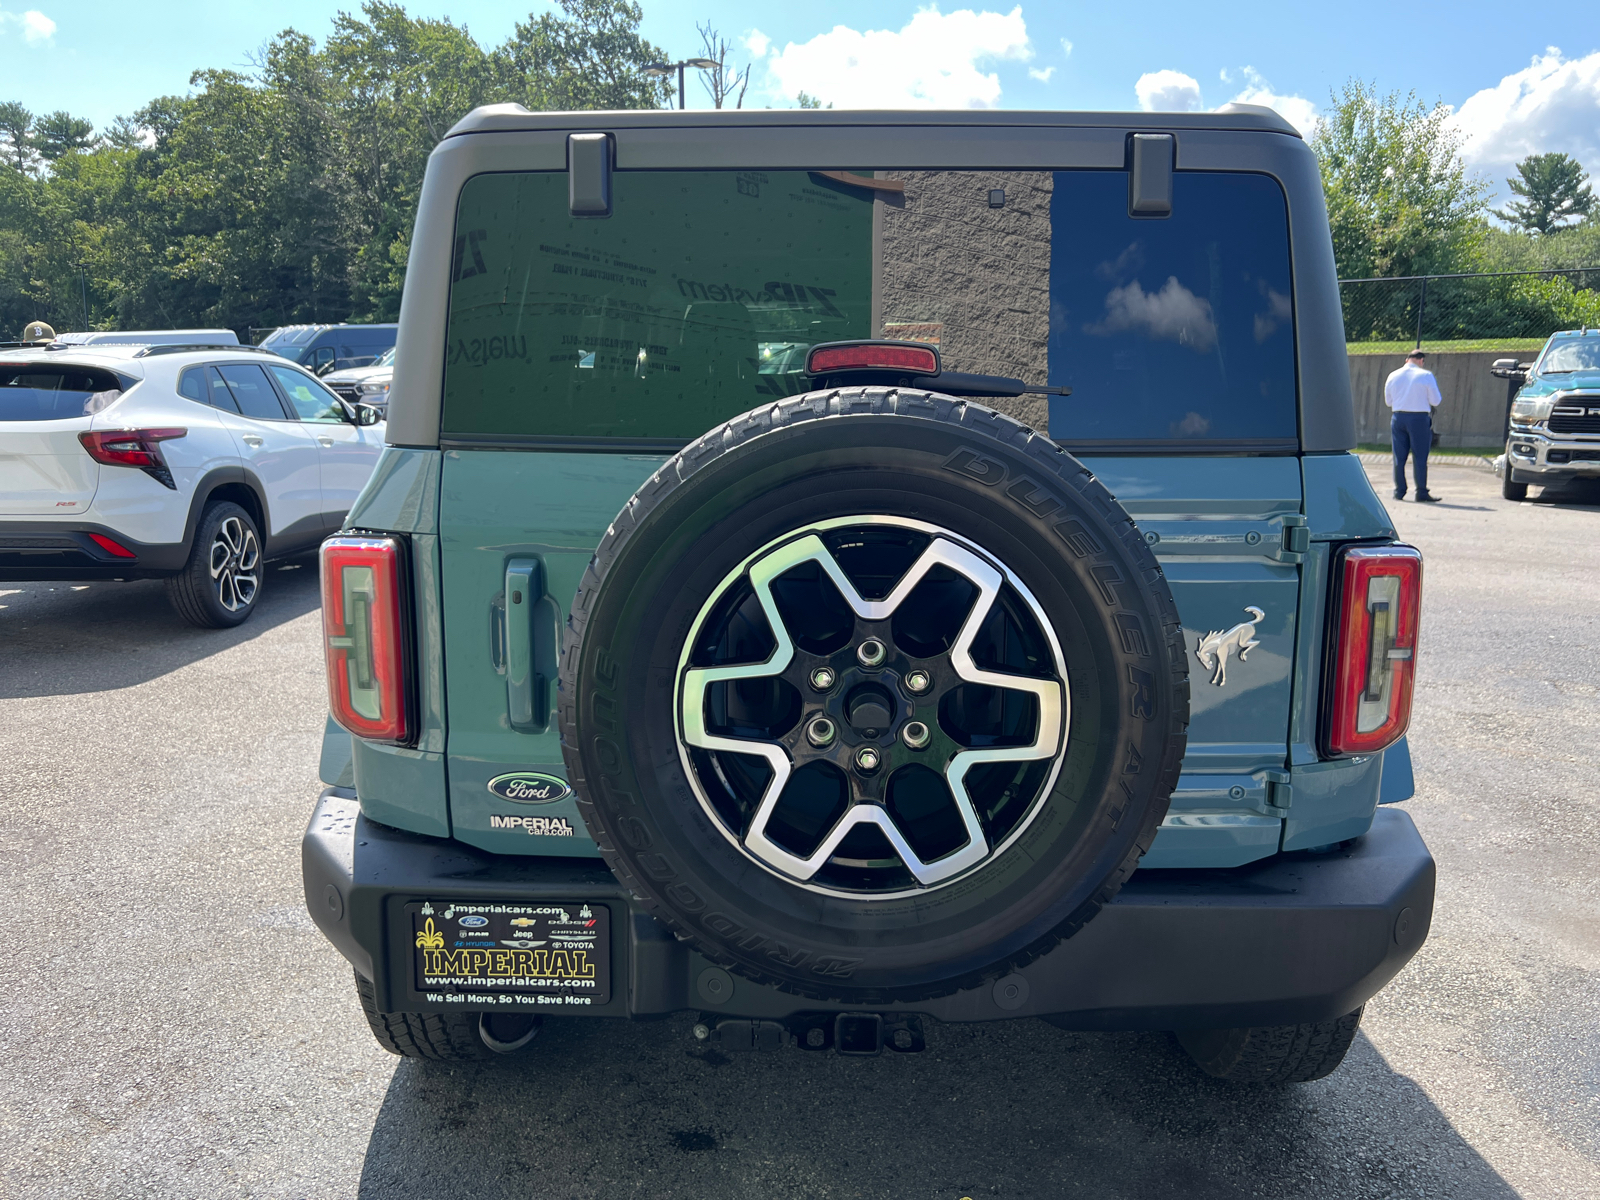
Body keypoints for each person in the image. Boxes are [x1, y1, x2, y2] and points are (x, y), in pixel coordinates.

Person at [1385, 347, 1442, 502]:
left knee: (1399, 457)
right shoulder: (1426, 375)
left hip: (1398, 418)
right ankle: (1421, 491)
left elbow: (1388, 401)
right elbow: (1435, 400)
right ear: (1421, 360)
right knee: (1420, 456)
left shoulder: (1393, 375)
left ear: (1407, 360)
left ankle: (1399, 491)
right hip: (1419, 418)